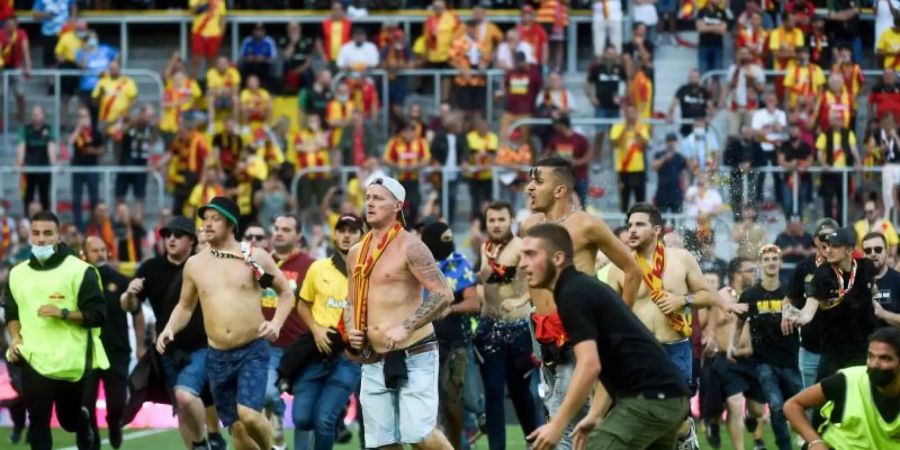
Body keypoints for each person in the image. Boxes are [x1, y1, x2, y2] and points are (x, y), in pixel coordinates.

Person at [518, 223, 692, 450]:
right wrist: (596, 414)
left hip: (651, 398)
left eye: (531, 255)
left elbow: (590, 365)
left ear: (558, 258)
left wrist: (557, 425)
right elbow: (609, 360)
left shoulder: (572, 295)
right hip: (669, 396)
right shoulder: (580, 288)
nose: (522, 264)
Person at [156, 197, 295, 450]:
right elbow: (185, 306)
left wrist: (275, 324)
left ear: (230, 224)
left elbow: (286, 293)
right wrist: (169, 328)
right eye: (205, 219)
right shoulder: (195, 264)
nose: (207, 224)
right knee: (239, 434)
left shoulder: (254, 257)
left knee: (250, 415)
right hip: (217, 356)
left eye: (215, 219)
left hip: (252, 349)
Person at [521, 157, 641, 450]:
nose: (529, 188)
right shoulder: (529, 226)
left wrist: (618, 324)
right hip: (541, 333)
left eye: (538, 182)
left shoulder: (588, 225)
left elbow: (633, 270)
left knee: (560, 422)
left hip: (578, 333)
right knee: (563, 412)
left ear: (560, 190)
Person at [607, 202, 742, 449]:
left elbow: (705, 295)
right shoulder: (620, 266)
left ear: (657, 229)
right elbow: (612, 314)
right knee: (642, 418)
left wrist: (682, 300)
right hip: (641, 353)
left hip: (676, 347)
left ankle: (685, 433)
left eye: (639, 224)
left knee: (676, 416)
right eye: (629, 225)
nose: (632, 231)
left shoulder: (681, 259)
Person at [343, 176, 454, 449]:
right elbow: (350, 300)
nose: (370, 203)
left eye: (378, 198)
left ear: (397, 205)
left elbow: (443, 293)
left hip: (415, 351)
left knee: (420, 435)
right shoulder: (356, 251)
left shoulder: (411, 246)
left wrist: (407, 325)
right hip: (374, 357)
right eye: (368, 197)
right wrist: (351, 330)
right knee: (382, 443)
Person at [3, 210, 107, 450]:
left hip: (71, 362)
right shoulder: (17, 274)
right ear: (30, 235)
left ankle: (80, 420)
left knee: (68, 421)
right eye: (36, 233)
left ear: (58, 237)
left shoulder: (81, 271)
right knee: (38, 420)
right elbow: (11, 311)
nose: (41, 239)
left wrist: (63, 313)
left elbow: (98, 316)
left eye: (47, 233)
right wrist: (16, 338)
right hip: (34, 360)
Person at [120, 216, 226, 450]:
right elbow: (129, 307)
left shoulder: (203, 265)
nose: (171, 239)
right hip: (169, 349)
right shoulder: (150, 268)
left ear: (191, 240)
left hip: (205, 345)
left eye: (178, 235)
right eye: (168, 235)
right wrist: (128, 294)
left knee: (205, 398)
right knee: (182, 404)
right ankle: (200, 445)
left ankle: (215, 435)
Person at [475, 202, 543, 450]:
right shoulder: (486, 248)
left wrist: (520, 299)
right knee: (493, 393)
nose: (496, 224)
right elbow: (484, 281)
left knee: (520, 393)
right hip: (489, 330)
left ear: (511, 220)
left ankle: (534, 442)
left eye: (501, 220)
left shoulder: (522, 248)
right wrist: (483, 298)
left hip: (517, 332)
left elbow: (537, 280)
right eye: (491, 220)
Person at [293, 214, 363, 450]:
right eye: (341, 230)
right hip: (316, 351)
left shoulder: (369, 273)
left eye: (352, 231)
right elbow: (302, 304)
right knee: (301, 418)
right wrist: (316, 329)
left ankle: (335, 414)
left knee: (324, 419)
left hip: (348, 358)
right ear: (334, 235)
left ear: (362, 236)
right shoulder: (318, 268)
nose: (346, 235)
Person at [784, 327, 900, 449]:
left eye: (884, 358)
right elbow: (792, 405)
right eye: (871, 356)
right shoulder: (848, 379)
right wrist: (815, 442)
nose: (875, 364)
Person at [733, 245, 801, 450]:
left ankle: (809, 441)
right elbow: (739, 322)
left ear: (780, 262)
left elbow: (804, 319)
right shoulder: (749, 295)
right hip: (764, 362)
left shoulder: (792, 291)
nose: (771, 262)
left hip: (791, 360)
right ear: (761, 264)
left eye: (775, 259)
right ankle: (785, 447)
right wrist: (732, 345)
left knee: (801, 406)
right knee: (777, 407)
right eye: (767, 259)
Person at [420, 220, 480, 450]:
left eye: (449, 239)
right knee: (430, 408)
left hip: (455, 345)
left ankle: (462, 440)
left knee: (455, 403)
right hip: (423, 345)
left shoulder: (459, 264)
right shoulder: (417, 268)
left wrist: (449, 309)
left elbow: (474, 302)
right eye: (441, 240)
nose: (447, 244)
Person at [82, 236, 145, 450]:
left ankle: (114, 424)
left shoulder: (120, 280)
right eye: (95, 250)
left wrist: (140, 344)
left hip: (116, 352)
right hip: (87, 353)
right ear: (85, 255)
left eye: (103, 250)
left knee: (117, 403)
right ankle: (94, 442)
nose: (100, 254)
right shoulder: (78, 282)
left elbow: (137, 312)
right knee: (86, 405)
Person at [791, 227, 878, 381]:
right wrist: (800, 317)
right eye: (828, 245)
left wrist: (874, 302)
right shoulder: (822, 274)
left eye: (835, 246)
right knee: (823, 402)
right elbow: (809, 309)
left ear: (850, 249)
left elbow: (874, 289)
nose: (829, 250)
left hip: (862, 350)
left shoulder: (866, 267)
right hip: (833, 352)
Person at [259, 215, 313, 450]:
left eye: (286, 229)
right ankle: (278, 418)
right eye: (277, 228)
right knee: (267, 395)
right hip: (267, 346)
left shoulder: (310, 265)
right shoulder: (259, 264)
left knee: (304, 413)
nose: (279, 233)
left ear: (298, 236)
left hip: (300, 348)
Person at [704, 257, 767, 450]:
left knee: (756, 410)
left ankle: (751, 418)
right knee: (735, 404)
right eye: (750, 271)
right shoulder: (721, 298)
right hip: (728, 360)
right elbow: (710, 330)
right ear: (737, 275)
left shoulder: (757, 295)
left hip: (752, 359)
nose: (754, 274)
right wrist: (710, 342)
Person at [783, 218, 837, 391]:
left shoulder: (848, 266)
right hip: (810, 345)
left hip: (839, 346)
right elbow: (789, 299)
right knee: (809, 401)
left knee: (837, 400)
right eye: (823, 238)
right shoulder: (804, 266)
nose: (827, 242)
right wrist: (786, 314)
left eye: (832, 237)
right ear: (815, 240)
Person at [68, 107, 105, 232]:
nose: (83, 119)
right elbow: (70, 142)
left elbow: (102, 149)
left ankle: (94, 225)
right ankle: (78, 227)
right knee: (76, 199)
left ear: (89, 117)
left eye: (85, 116)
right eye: (80, 116)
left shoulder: (95, 132)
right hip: (77, 168)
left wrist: (93, 151)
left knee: (94, 198)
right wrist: (78, 129)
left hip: (91, 168)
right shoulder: (75, 131)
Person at [16, 106, 57, 213]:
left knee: (44, 196)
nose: (35, 117)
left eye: (38, 114)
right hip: (29, 168)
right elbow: (21, 145)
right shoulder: (25, 129)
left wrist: (54, 163)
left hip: (44, 168)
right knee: (27, 196)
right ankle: (26, 220)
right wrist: (19, 162)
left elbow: (51, 146)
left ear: (43, 115)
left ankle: (47, 220)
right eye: (34, 114)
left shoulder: (48, 129)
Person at [862, 232, 900, 328]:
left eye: (878, 249)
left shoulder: (897, 280)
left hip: (891, 341)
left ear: (886, 252)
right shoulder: (856, 281)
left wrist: (884, 314)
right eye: (868, 251)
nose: (873, 254)